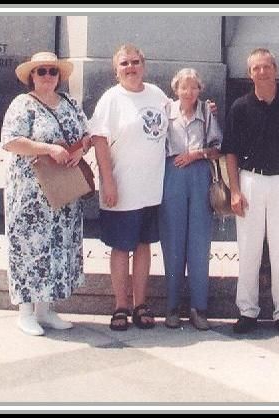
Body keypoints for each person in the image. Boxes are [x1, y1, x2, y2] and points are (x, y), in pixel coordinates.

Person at [222, 48, 279, 336]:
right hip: (250, 181)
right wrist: (235, 191)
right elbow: (230, 153)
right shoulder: (240, 107)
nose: (261, 72)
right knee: (248, 248)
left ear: (275, 69)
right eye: (256, 68)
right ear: (249, 74)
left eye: (266, 67)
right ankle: (247, 311)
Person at [1, 51, 91, 336]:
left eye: (53, 72)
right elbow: (11, 141)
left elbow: (87, 136)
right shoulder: (22, 105)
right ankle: (26, 311)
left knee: (57, 246)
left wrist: (80, 151)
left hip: (63, 187)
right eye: (42, 72)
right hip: (30, 192)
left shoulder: (70, 103)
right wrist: (48, 148)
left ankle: (46, 309)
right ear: (32, 76)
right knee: (28, 247)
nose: (48, 77)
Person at [89, 44, 169, 331]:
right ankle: (121, 305)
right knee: (122, 248)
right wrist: (107, 181)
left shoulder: (157, 95)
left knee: (144, 245)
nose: (131, 67)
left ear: (143, 65)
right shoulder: (111, 100)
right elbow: (99, 141)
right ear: (116, 69)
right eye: (124, 64)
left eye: (135, 62)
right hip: (121, 188)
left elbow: (177, 120)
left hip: (151, 188)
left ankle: (140, 304)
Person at [159, 68, 222, 331]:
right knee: (173, 241)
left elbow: (218, 148)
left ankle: (199, 307)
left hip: (199, 175)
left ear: (200, 89)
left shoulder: (207, 113)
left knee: (199, 242)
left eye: (194, 87)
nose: (189, 92)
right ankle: (172, 307)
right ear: (176, 89)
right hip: (172, 174)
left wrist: (197, 154)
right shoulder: (165, 111)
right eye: (184, 87)